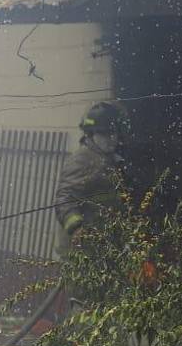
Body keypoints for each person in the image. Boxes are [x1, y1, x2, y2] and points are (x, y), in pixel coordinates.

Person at [54, 101, 127, 246]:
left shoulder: (111, 158)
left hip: (100, 242)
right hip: (80, 247)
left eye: (114, 133)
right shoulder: (82, 159)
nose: (112, 139)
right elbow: (64, 198)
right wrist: (76, 228)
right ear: (91, 134)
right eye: (105, 134)